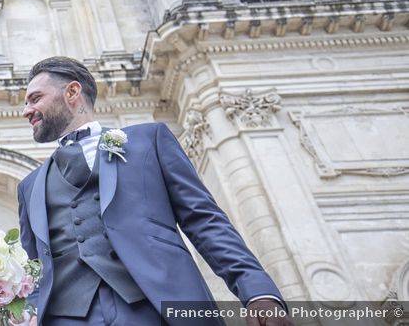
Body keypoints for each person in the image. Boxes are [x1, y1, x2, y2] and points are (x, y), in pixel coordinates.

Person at [16, 56, 291, 326]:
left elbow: (204, 221)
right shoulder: (29, 188)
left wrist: (257, 291)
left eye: (35, 98)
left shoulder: (149, 141)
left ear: (72, 92)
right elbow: (34, 271)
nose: (26, 111)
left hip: (157, 308)